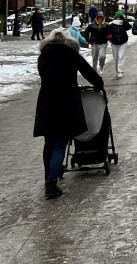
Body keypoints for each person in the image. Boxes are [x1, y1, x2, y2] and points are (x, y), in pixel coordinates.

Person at [34, 28, 104, 199]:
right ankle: (51, 184)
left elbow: (43, 75)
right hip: (67, 102)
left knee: (49, 142)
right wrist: (99, 84)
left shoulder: (43, 56)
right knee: (60, 143)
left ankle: (49, 178)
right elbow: (89, 72)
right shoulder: (71, 54)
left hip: (46, 101)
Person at [105, 11, 130, 76]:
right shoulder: (111, 24)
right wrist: (110, 38)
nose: (119, 18)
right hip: (114, 42)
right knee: (116, 57)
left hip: (123, 42)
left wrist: (124, 20)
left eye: (120, 17)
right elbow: (107, 32)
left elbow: (129, 27)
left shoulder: (124, 23)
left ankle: (120, 70)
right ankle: (117, 70)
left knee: (121, 56)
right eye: (118, 17)